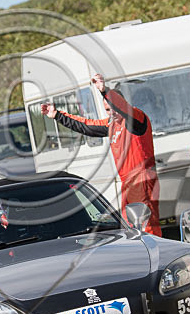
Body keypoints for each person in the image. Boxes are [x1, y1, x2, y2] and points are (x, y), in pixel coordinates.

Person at [41, 74, 162, 236]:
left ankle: (156, 249)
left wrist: (105, 91)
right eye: (107, 110)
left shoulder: (136, 118)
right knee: (130, 226)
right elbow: (87, 126)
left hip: (142, 177)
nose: (112, 113)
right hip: (127, 181)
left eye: (113, 108)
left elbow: (122, 107)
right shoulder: (112, 124)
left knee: (146, 224)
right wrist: (57, 115)